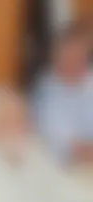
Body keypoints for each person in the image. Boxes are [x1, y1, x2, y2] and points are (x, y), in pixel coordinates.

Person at [32, 20, 93, 163]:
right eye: (68, 55)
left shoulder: (90, 80)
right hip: (67, 167)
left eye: (79, 56)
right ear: (55, 56)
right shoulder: (47, 90)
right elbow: (69, 147)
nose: (73, 61)